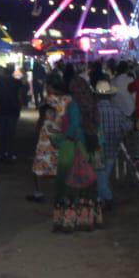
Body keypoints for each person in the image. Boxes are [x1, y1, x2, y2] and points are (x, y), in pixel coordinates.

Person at [52, 74, 105, 233]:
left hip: (75, 147)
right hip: (91, 146)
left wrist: (60, 139)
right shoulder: (92, 103)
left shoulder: (74, 105)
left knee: (69, 185)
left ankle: (68, 222)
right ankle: (87, 220)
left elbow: (74, 126)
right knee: (88, 186)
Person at [28, 71, 71, 202]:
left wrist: (37, 129)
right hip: (63, 134)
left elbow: (43, 117)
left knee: (39, 163)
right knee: (62, 164)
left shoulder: (49, 99)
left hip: (47, 136)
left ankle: (38, 193)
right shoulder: (69, 99)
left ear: (51, 86)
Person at [94, 79, 130, 212]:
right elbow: (127, 126)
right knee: (103, 175)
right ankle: (101, 200)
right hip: (113, 147)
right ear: (110, 95)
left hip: (98, 148)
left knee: (101, 176)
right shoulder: (117, 110)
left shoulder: (94, 111)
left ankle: (107, 199)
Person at [0, 65, 25, 162]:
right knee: (11, 133)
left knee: (2, 133)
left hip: (2, 109)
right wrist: (20, 105)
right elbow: (20, 94)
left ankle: (2, 153)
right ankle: (10, 153)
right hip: (13, 109)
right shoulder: (16, 80)